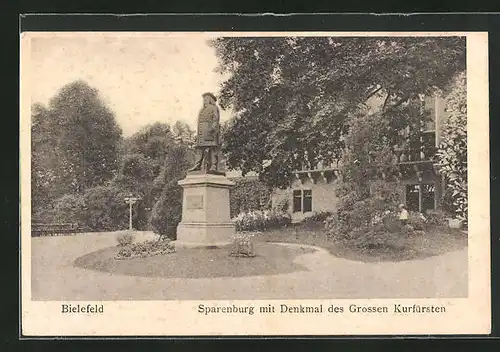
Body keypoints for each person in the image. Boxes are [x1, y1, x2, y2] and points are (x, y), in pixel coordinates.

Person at [188, 92, 221, 173]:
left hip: (210, 131)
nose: (204, 101)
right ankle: (197, 165)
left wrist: (212, 128)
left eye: (206, 99)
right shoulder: (202, 109)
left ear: (210, 100)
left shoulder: (214, 108)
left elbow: (215, 119)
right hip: (202, 132)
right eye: (204, 100)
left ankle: (213, 166)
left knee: (213, 148)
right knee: (200, 149)